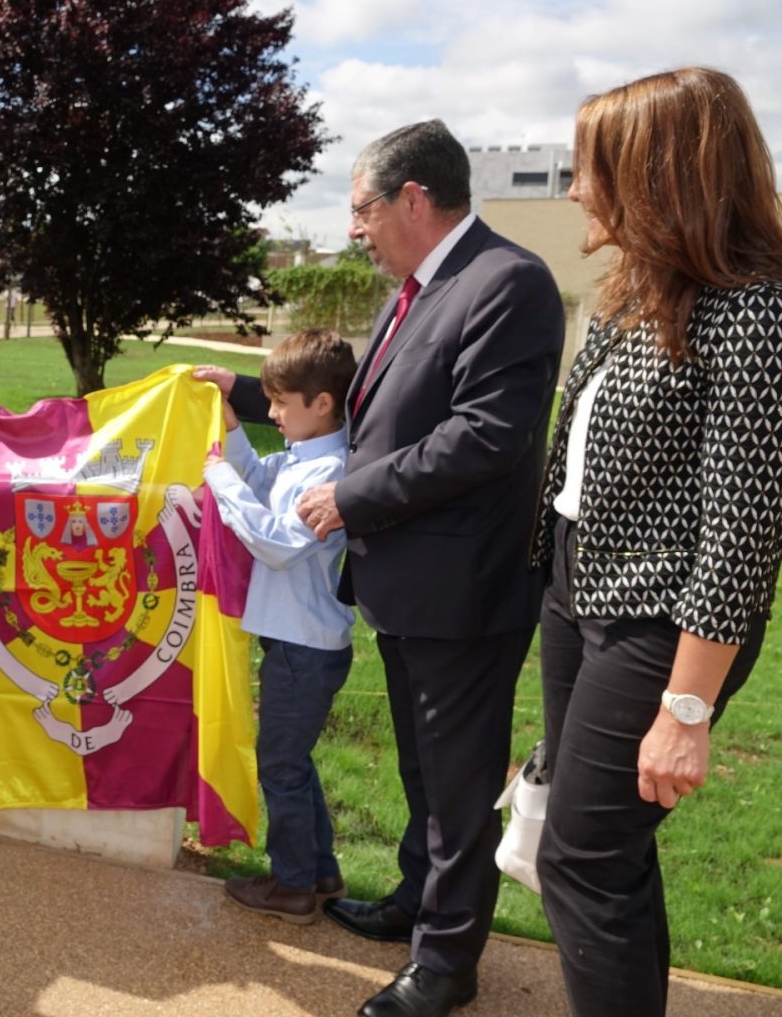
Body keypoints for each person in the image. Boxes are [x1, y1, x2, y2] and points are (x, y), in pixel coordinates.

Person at [197, 118, 565, 1017]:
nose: (354, 229)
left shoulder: (505, 283)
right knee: (423, 774)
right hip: (406, 588)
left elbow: (486, 434)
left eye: (361, 208)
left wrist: (354, 499)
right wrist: (245, 395)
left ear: (412, 199)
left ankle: (444, 967)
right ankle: (416, 902)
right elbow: (368, 405)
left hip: (463, 594)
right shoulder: (418, 289)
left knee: (457, 784)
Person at [530, 68, 782, 1017]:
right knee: (597, 851)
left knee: (584, 855)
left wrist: (687, 707)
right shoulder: (637, 292)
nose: (574, 191)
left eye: (588, 168)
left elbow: (745, 527)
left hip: (662, 625)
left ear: (654, 174)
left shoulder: (753, 310)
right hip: (578, 594)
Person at [199, 329, 357, 925]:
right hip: (297, 644)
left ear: (321, 403)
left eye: (281, 403)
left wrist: (219, 481)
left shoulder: (333, 476)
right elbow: (258, 481)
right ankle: (320, 871)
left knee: (281, 766)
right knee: (294, 759)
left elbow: (274, 544)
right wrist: (232, 432)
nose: (271, 414)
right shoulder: (301, 458)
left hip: (305, 648)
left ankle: (291, 887)